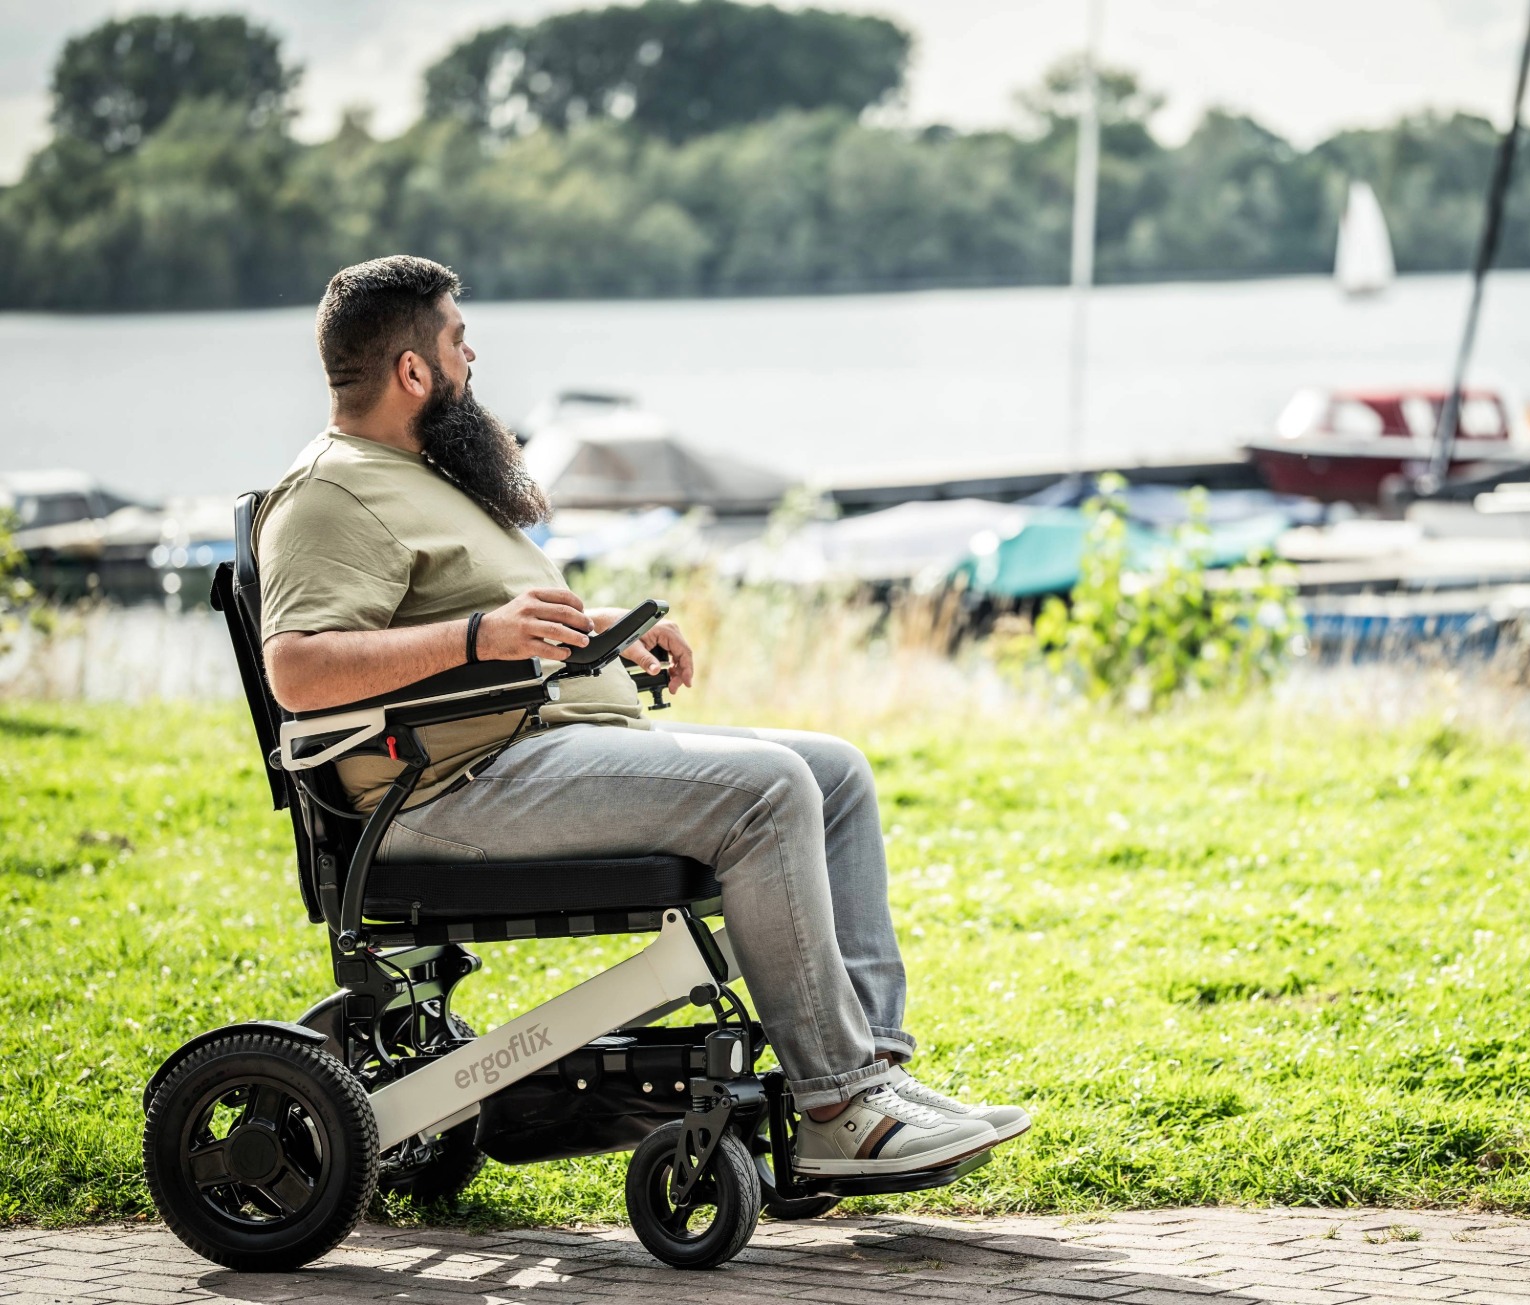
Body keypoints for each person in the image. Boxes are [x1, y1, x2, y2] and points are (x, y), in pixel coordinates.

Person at [255, 254, 1027, 1176]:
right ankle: (836, 1105)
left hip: (537, 751)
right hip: (443, 794)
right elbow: (297, 668)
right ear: (412, 370)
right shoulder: (333, 492)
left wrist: (600, 638)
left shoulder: (418, 471)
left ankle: (875, 1077)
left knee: (833, 771)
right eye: (460, 338)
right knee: (769, 790)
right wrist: (475, 635)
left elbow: (504, 629)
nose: (474, 355)